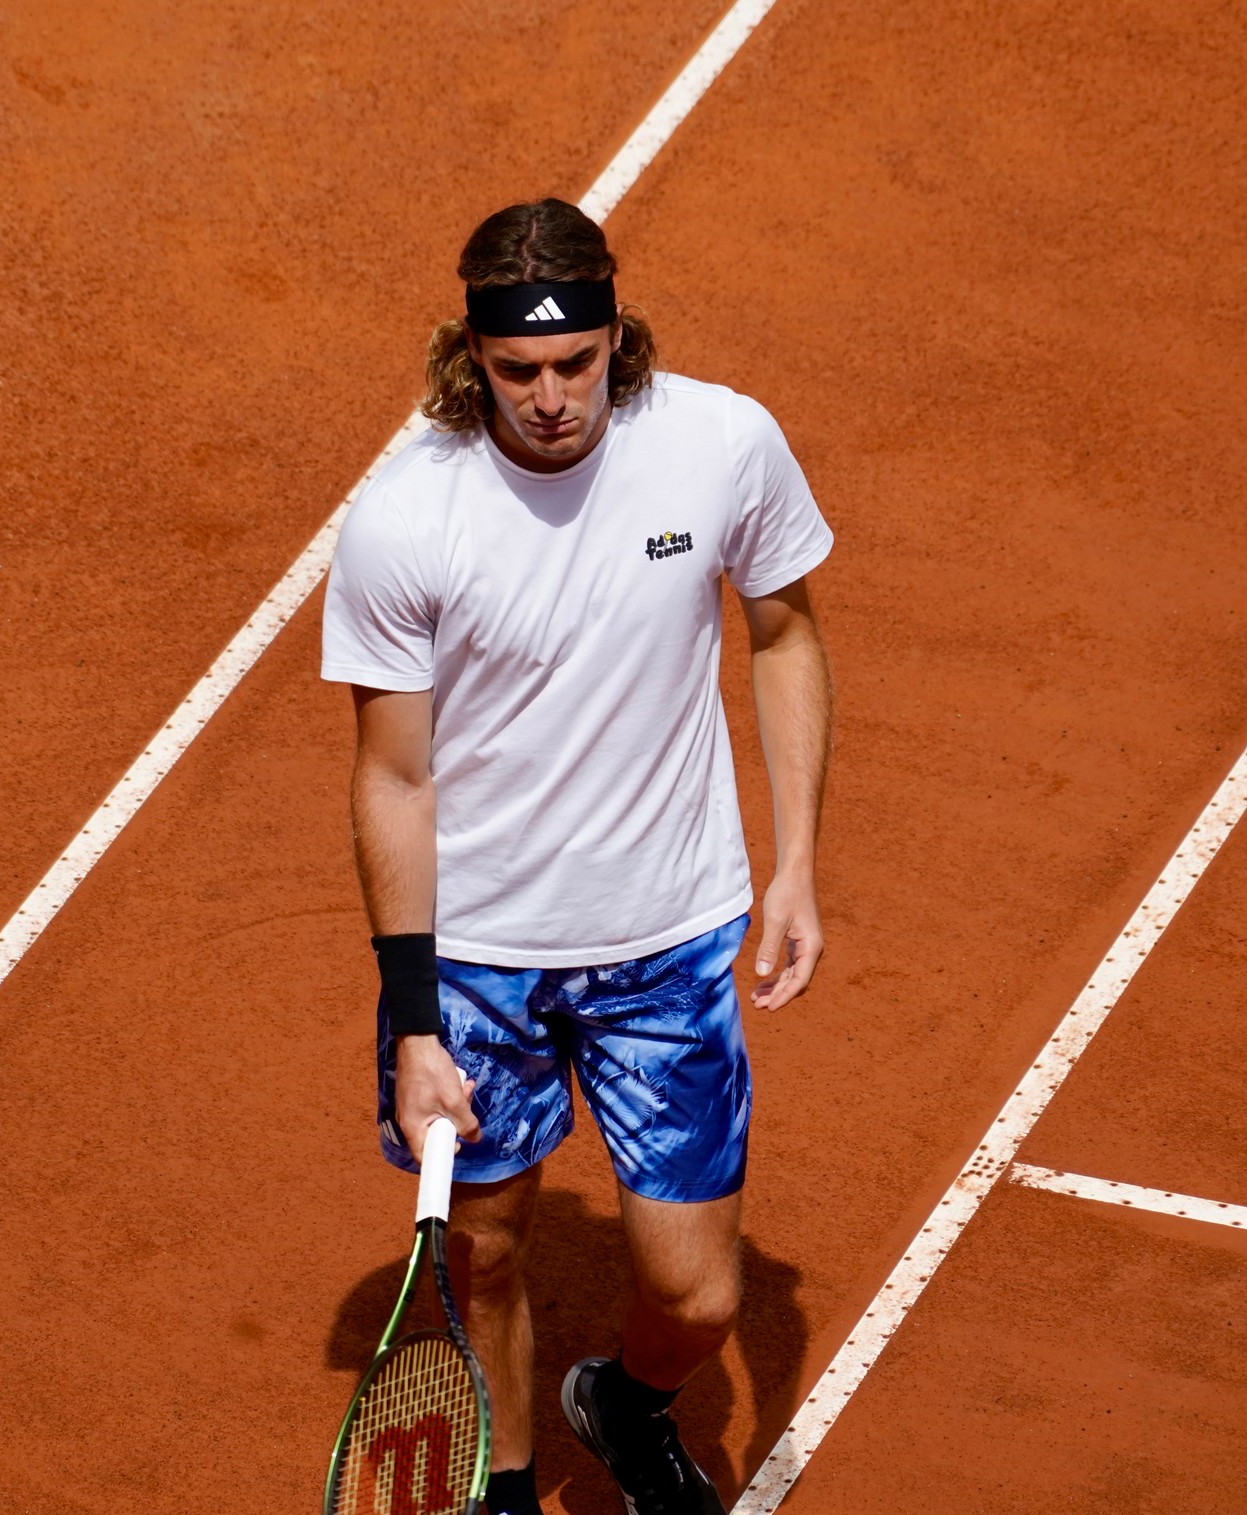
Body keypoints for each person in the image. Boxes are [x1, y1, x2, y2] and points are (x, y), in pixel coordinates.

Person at [321, 197, 834, 1515]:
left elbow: (782, 634)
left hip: (667, 940)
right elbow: (393, 776)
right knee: (485, 1253)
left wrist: (793, 867)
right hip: (481, 958)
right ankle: (499, 1492)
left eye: (578, 364)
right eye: (518, 373)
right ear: (469, 357)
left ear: (618, 337)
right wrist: (416, 1019)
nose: (551, 398)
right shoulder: (404, 521)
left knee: (697, 1291)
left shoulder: (723, 445)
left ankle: (622, 1399)